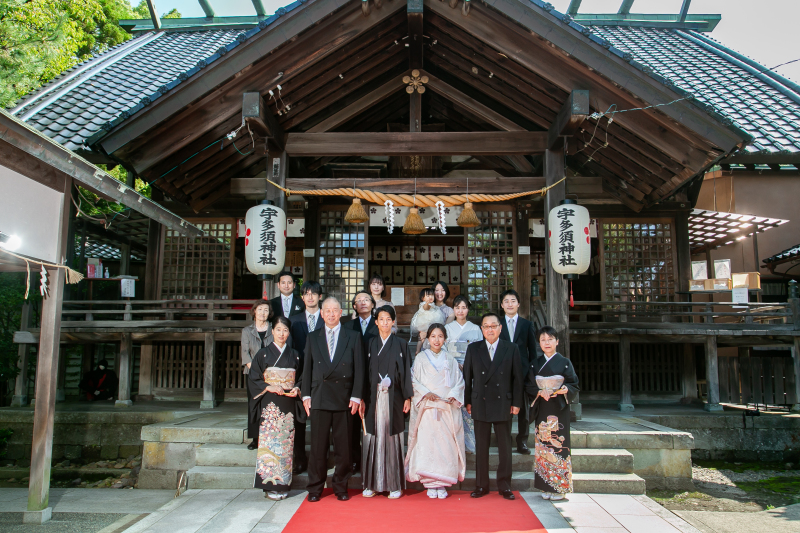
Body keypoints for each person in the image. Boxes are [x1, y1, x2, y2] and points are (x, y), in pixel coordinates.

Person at [301, 296, 364, 502]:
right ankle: (315, 488)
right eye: (326, 310)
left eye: (334, 310)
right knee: (318, 447)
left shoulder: (352, 336)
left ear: (340, 313)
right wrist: (306, 395)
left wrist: (356, 395)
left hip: (344, 398)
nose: (330, 313)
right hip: (319, 396)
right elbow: (307, 368)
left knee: (343, 447)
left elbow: (359, 369)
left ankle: (340, 486)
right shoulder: (313, 337)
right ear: (321, 313)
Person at [463, 312, 523, 501]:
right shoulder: (473, 349)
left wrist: (516, 403)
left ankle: (505, 485)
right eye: (486, 326)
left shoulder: (511, 348)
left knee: (505, 447)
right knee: (481, 447)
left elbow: (518, 379)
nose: (490, 329)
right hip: (480, 401)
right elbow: (467, 377)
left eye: (493, 326)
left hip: (503, 403)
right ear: (481, 329)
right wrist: (468, 401)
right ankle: (481, 485)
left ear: (500, 328)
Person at [405, 323, 466, 499]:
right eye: (433, 336)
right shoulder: (421, 359)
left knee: (446, 446)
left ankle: (443, 483)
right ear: (428, 339)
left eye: (440, 336)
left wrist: (453, 395)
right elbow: (414, 380)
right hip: (427, 409)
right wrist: (425, 393)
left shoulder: (451, 360)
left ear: (444, 338)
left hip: (446, 408)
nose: (437, 340)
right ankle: (430, 483)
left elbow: (459, 382)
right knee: (427, 445)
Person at [360, 305, 412, 499]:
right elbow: (363, 373)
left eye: (388, 319)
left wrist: (407, 396)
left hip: (394, 398)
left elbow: (407, 370)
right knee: (371, 439)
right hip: (373, 398)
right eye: (381, 319)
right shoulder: (370, 344)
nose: (384, 323)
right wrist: (362, 397)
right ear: (376, 322)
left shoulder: (401, 344)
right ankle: (371, 484)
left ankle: (394, 484)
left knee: (392, 439)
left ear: (393, 322)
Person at [249, 316, 302, 500]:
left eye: (285, 330)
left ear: (289, 333)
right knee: (270, 443)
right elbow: (254, 377)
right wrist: (268, 386)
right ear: (272, 331)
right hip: (270, 403)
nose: (281, 334)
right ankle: (269, 485)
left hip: (288, 404)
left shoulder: (295, 354)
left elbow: (301, 377)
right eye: (278, 330)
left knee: (285, 444)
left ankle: (284, 484)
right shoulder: (263, 354)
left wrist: (297, 387)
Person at [526, 326, 579, 501]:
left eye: (550, 339)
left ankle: (560, 487)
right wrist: (539, 391)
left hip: (558, 408)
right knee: (543, 447)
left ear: (557, 341)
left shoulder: (565, 362)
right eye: (543, 340)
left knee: (559, 447)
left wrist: (565, 389)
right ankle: (545, 486)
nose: (546, 343)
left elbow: (574, 384)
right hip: (542, 409)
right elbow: (529, 385)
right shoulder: (535, 363)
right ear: (539, 343)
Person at [498, 289, 541, 455]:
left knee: (523, 410)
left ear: (518, 304)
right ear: (502, 305)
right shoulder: (497, 324)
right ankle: (505, 441)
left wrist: (533, 374)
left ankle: (522, 442)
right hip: (501, 373)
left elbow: (532, 352)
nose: (510, 304)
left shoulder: (527, 324)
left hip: (523, 373)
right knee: (504, 409)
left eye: (513, 301)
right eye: (506, 301)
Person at [289, 280, 324, 474]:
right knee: (299, 420)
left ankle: (322, 459)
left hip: (322, 375)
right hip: (300, 374)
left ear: (320, 296)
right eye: (306, 294)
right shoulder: (294, 321)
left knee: (322, 420)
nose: (310, 297)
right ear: (302, 297)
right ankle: (299, 460)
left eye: (313, 294)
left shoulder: (327, 318)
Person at [344, 290, 379, 472]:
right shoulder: (348, 326)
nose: (363, 302)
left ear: (373, 304)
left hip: (374, 381)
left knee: (372, 423)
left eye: (367, 299)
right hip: (352, 381)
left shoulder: (380, 324)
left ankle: (372, 460)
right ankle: (354, 460)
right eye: (359, 300)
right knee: (351, 424)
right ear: (354, 306)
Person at [444, 296, 482, 454]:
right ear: (453, 309)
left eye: (464, 307)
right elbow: (443, 349)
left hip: (470, 370)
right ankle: (452, 441)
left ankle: (469, 442)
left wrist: (469, 365)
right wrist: (454, 364)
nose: (460, 310)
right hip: (452, 370)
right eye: (457, 307)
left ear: (468, 309)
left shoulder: (475, 328)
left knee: (468, 405)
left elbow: (480, 350)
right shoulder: (447, 328)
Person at [242, 299, 273, 450]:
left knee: (268, 406)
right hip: (252, 374)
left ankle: (268, 436)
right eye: (260, 309)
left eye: (266, 310)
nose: (263, 313)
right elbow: (245, 353)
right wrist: (256, 371)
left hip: (271, 374)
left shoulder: (273, 329)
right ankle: (255, 439)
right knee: (254, 405)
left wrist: (268, 371)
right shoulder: (247, 331)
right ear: (254, 311)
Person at [411, 288, 445, 355]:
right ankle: (417, 351)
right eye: (428, 296)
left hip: (432, 323)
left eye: (432, 295)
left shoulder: (434, 306)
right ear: (423, 298)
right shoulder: (424, 304)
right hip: (424, 323)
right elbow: (425, 308)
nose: (430, 297)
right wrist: (427, 303)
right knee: (421, 339)